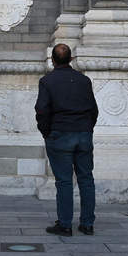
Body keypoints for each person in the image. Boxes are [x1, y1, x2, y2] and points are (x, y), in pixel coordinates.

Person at [35, 43, 99, 236]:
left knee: (64, 182)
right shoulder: (84, 80)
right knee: (86, 179)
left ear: (52, 60)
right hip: (83, 133)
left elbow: (41, 110)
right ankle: (87, 224)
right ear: (71, 59)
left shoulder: (47, 81)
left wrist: (47, 133)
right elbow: (94, 109)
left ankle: (64, 224)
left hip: (60, 134)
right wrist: (87, 128)